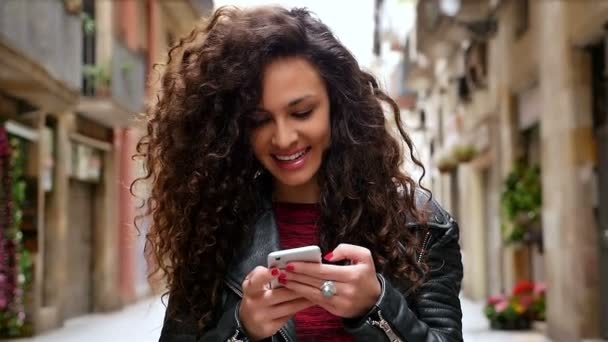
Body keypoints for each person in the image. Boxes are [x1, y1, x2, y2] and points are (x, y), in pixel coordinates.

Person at [135, 5, 463, 342]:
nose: (284, 138)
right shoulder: (216, 225)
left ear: (337, 107)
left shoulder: (421, 225)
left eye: (302, 112)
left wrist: (376, 306)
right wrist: (242, 328)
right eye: (259, 120)